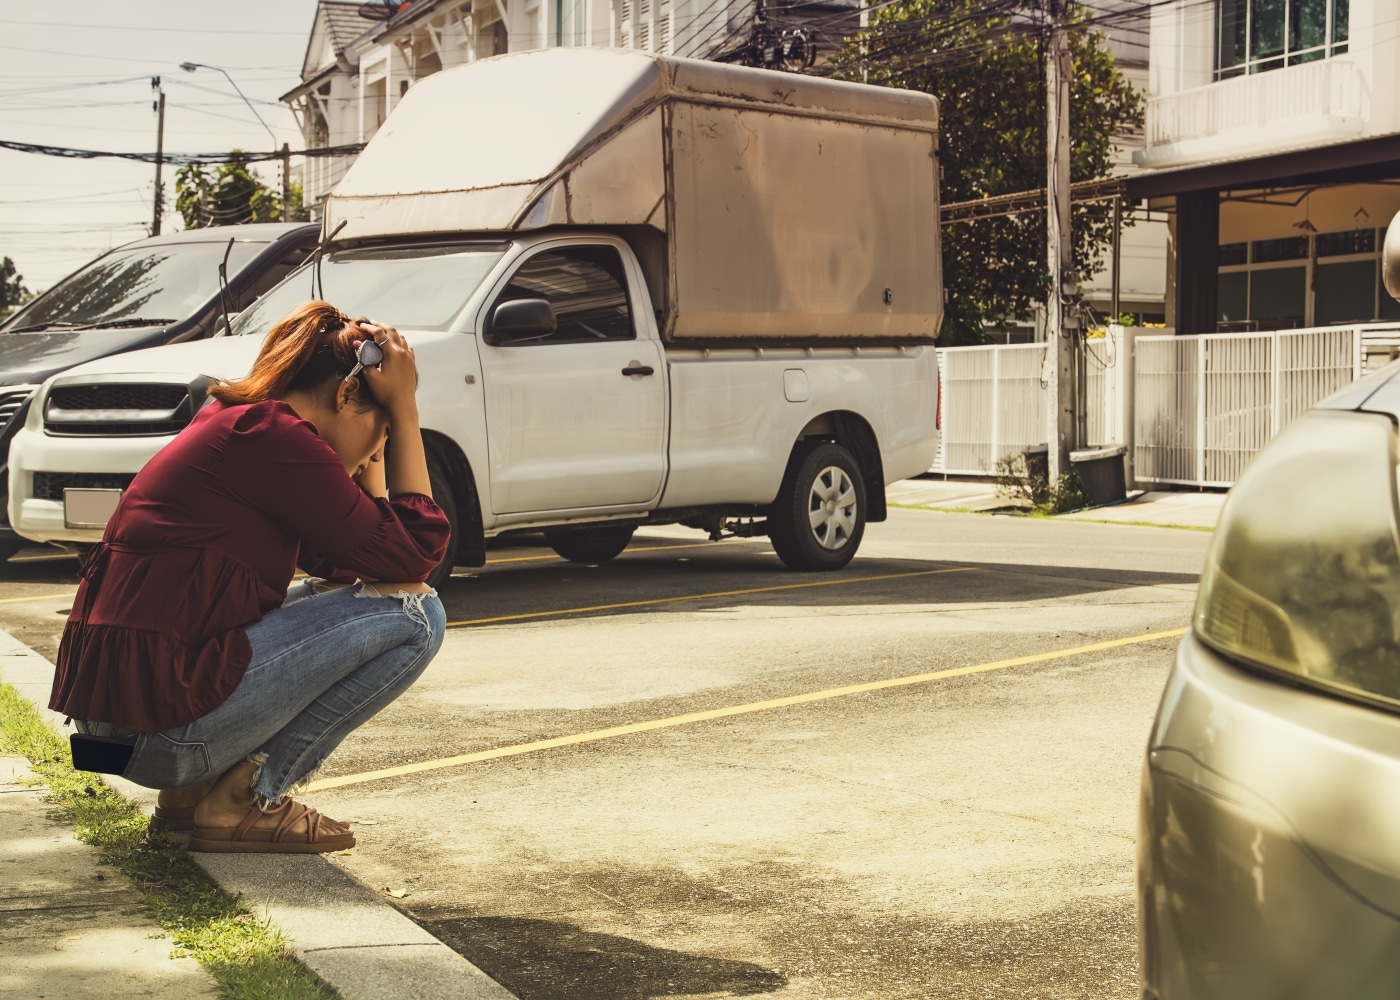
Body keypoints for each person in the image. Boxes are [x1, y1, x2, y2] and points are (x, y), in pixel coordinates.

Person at [49, 300, 450, 854]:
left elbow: (354, 564)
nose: (377, 451)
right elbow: (415, 556)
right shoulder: (273, 437)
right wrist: (403, 412)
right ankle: (247, 800)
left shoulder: (235, 422)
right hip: (157, 736)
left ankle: (191, 797)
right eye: (379, 435)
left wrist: (371, 456)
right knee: (417, 617)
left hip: (114, 734)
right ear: (345, 395)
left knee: (365, 595)